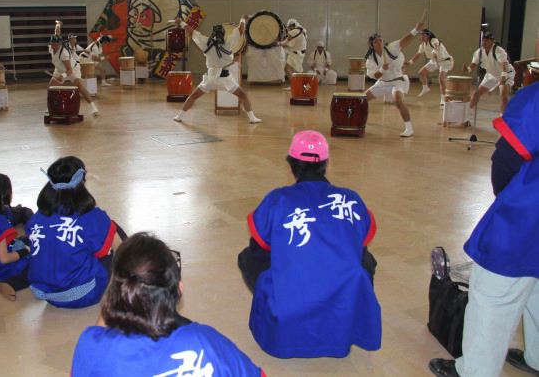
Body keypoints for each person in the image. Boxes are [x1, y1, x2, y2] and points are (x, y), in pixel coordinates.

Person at [238, 130, 381, 359]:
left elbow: (259, 249)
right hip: (343, 288)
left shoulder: (278, 199)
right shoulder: (351, 199)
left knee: (247, 257)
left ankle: (280, 312)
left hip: (291, 296)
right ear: (326, 164)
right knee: (365, 260)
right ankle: (346, 313)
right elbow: (360, 244)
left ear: (291, 166)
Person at [428, 83, 539, 377]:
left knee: (493, 292)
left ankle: (476, 371)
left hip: (529, 215)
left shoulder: (537, 97)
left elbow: (507, 159)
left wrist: (511, 202)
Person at [71, 232, 265, 376]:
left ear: (115, 294)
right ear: (179, 289)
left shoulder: (91, 344)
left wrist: (111, 304)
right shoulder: (203, 341)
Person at [26, 156, 123, 308]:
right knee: (112, 230)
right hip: (84, 294)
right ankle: (140, 273)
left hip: (47, 293)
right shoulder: (91, 216)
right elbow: (107, 250)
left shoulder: (36, 218)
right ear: (82, 182)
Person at [173, 16, 262, 124]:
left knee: (193, 96)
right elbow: (240, 30)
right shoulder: (228, 43)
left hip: (210, 79)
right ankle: (252, 118)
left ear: (213, 34)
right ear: (224, 34)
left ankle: (179, 116)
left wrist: (182, 23)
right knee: (243, 96)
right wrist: (243, 19)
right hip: (225, 79)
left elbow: (192, 32)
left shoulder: (205, 42)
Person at [365, 22, 424, 137]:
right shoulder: (370, 59)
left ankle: (409, 129)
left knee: (398, 100)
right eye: (376, 42)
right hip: (382, 83)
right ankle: (362, 120)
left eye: (380, 40)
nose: (379, 43)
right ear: (372, 45)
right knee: (362, 99)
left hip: (398, 81)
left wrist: (415, 30)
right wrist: (382, 69)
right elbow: (375, 76)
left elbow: (403, 41)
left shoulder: (391, 48)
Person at [48, 21, 99, 116]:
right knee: (50, 88)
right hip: (59, 69)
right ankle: (51, 107)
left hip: (72, 69)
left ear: (60, 44)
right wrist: (58, 24)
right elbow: (57, 33)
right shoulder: (51, 47)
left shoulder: (64, 53)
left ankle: (93, 107)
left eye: (55, 44)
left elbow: (69, 70)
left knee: (79, 86)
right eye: (52, 44)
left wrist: (63, 76)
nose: (53, 46)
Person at [466, 32, 515, 113]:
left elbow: (504, 64)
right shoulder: (480, 51)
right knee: (476, 94)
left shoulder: (498, 50)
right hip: (491, 75)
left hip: (506, 73)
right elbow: (474, 63)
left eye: (486, 40)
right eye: (483, 40)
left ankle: (502, 118)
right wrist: (468, 69)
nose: (484, 42)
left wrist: (503, 77)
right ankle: (466, 114)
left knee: (503, 96)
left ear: (492, 41)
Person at [406, 29, 454, 105]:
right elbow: (417, 55)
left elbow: (436, 45)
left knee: (441, 79)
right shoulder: (422, 45)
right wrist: (409, 62)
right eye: (420, 35)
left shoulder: (434, 40)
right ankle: (425, 88)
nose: (421, 36)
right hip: (434, 61)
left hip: (444, 61)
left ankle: (443, 99)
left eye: (423, 35)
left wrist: (434, 52)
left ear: (428, 36)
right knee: (421, 73)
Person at [281, 18, 308, 86]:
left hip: (297, 54)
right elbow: (293, 43)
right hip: (295, 53)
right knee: (287, 69)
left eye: (289, 27)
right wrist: (285, 44)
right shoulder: (303, 31)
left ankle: (306, 86)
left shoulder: (294, 31)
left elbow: (287, 41)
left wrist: (280, 43)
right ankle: (294, 86)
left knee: (299, 72)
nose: (289, 28)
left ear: (293, 25)